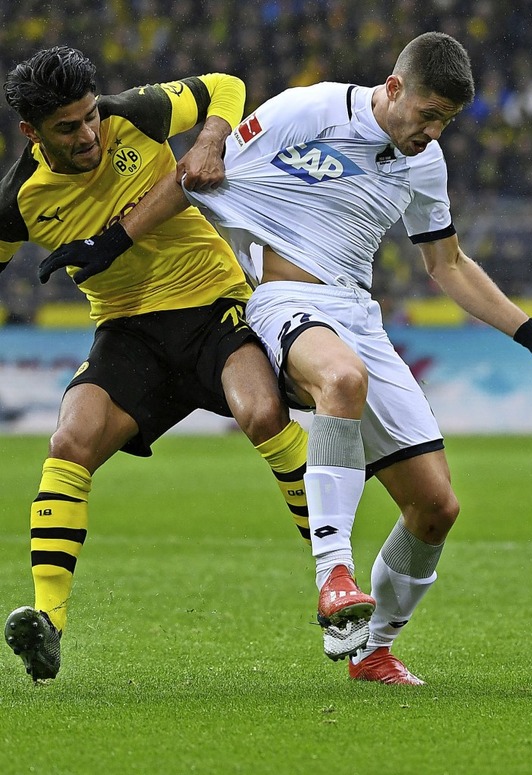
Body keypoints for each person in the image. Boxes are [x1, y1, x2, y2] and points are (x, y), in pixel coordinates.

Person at [38, 33, 532, 685]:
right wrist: (111, 242)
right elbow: (193, 175)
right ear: (395, 89)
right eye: (427, 114)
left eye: (445, 121)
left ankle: (373, 649)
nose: (433, 131)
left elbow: (446, 264)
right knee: (340, 378)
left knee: (436, 508)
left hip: (360, 315)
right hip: (285, 299)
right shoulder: (307, 112)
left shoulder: (425, 163)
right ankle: (334, 574)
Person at [0, 47, 310, 683]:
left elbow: (227, 82)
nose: (88, 134)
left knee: (261, 414)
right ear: (31, 132)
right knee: (70, 441)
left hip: (211, 307)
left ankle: (337, 575)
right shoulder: (19, 198)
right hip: (129, 335)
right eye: (68, 127)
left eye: (90, 117)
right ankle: (49, 620)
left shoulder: (135, 113)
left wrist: (210, 142)